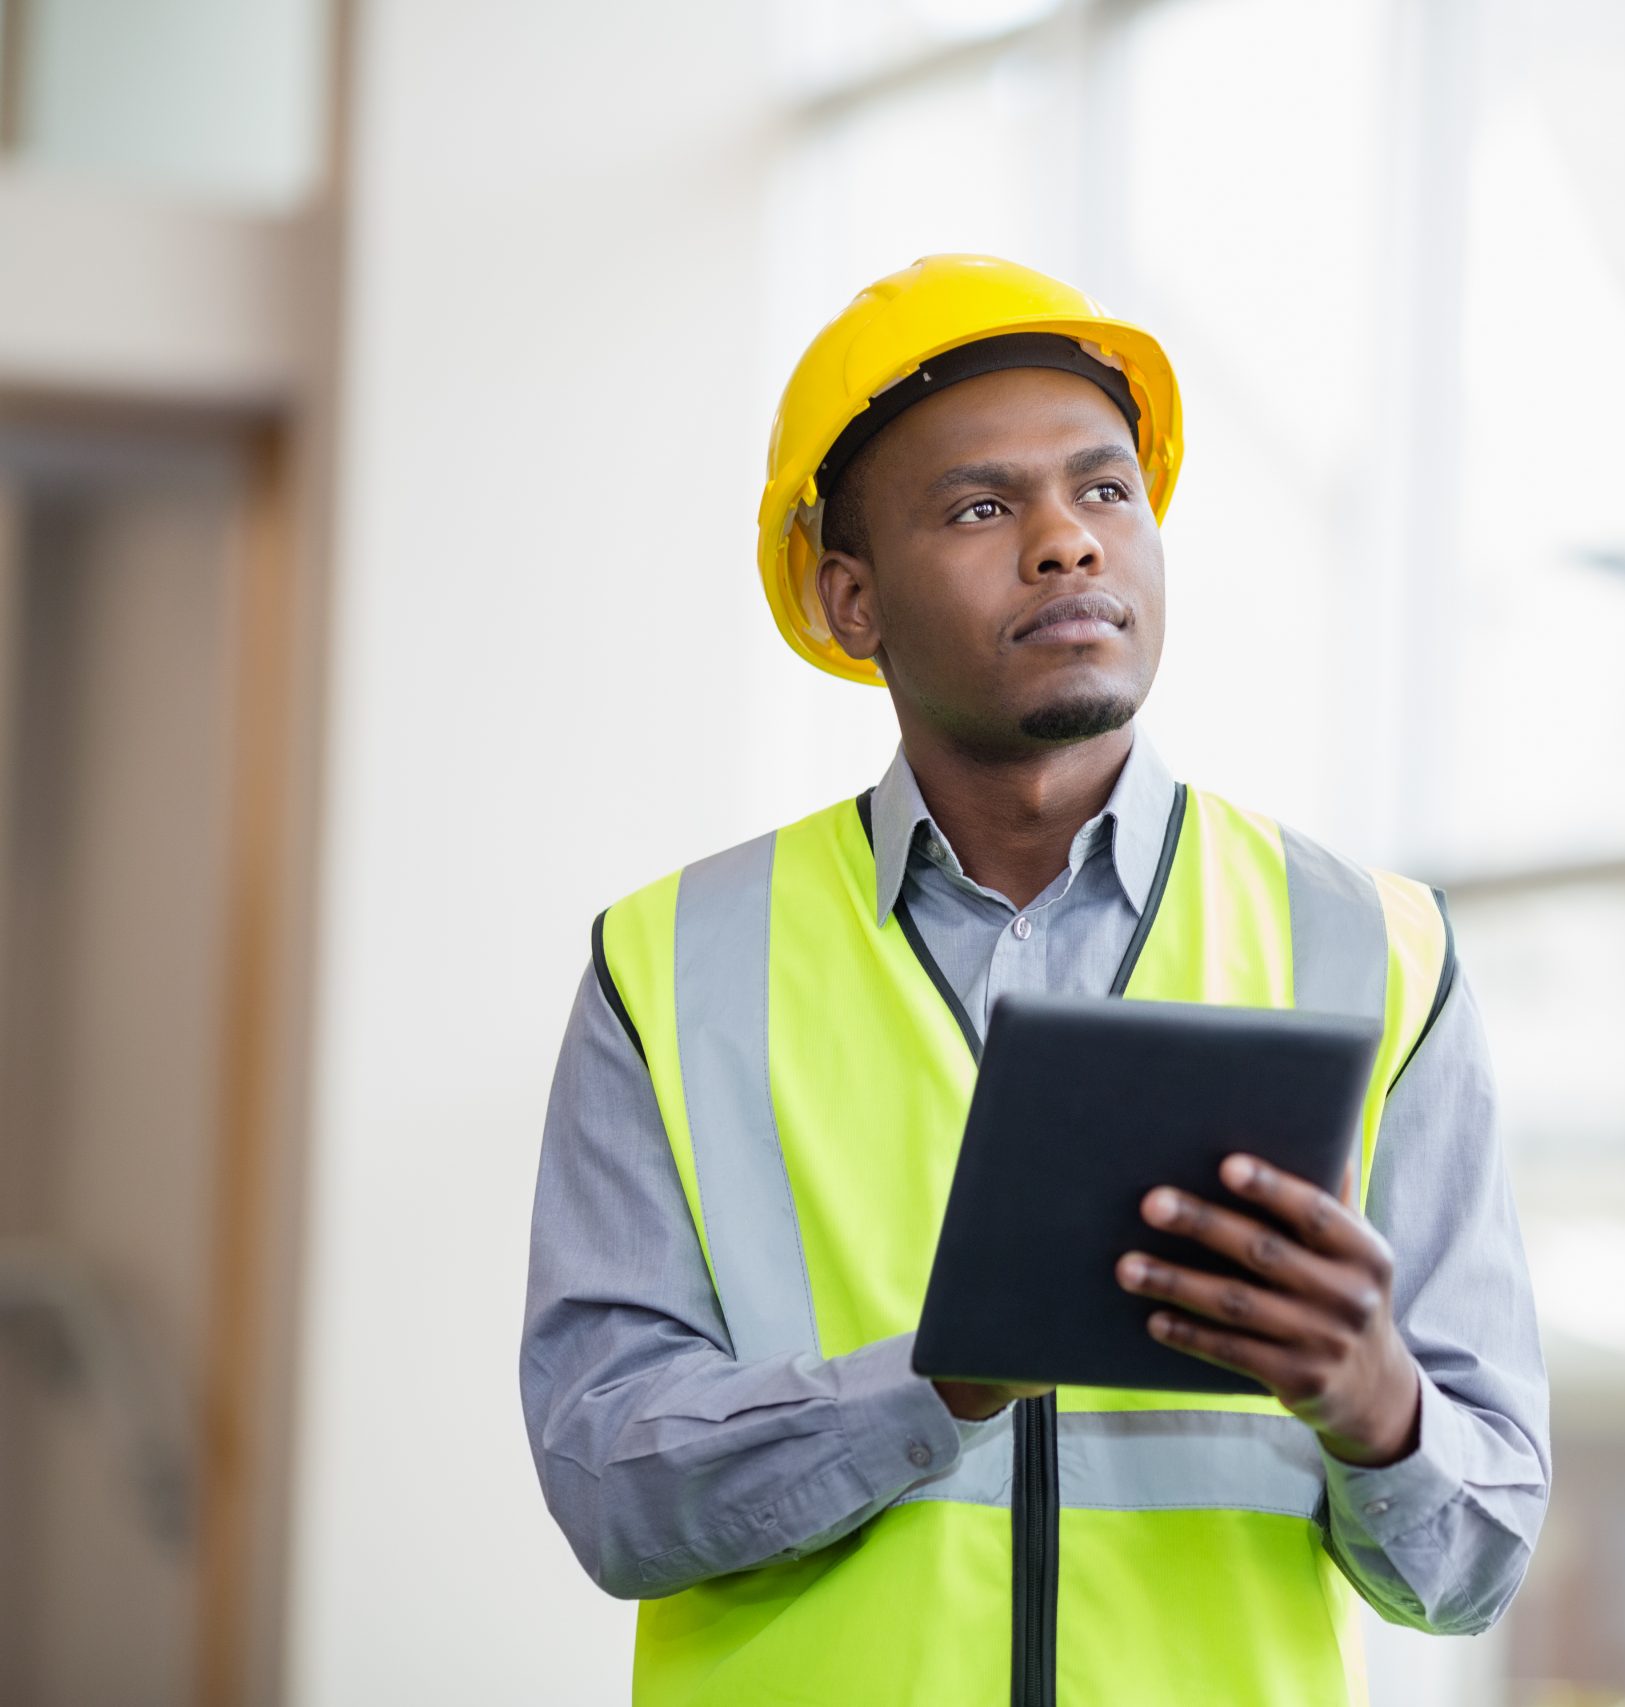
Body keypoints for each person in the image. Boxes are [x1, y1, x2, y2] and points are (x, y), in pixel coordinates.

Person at [520, 254, 1549, 1707]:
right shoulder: (666, 965)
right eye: (984, 508)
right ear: (852, 598)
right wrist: (933, 1385)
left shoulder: (1381, 951)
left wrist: (1377, 1408)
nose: (1067, 543)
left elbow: (1478, 1560)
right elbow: (609, 1485)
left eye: (1106, 491)